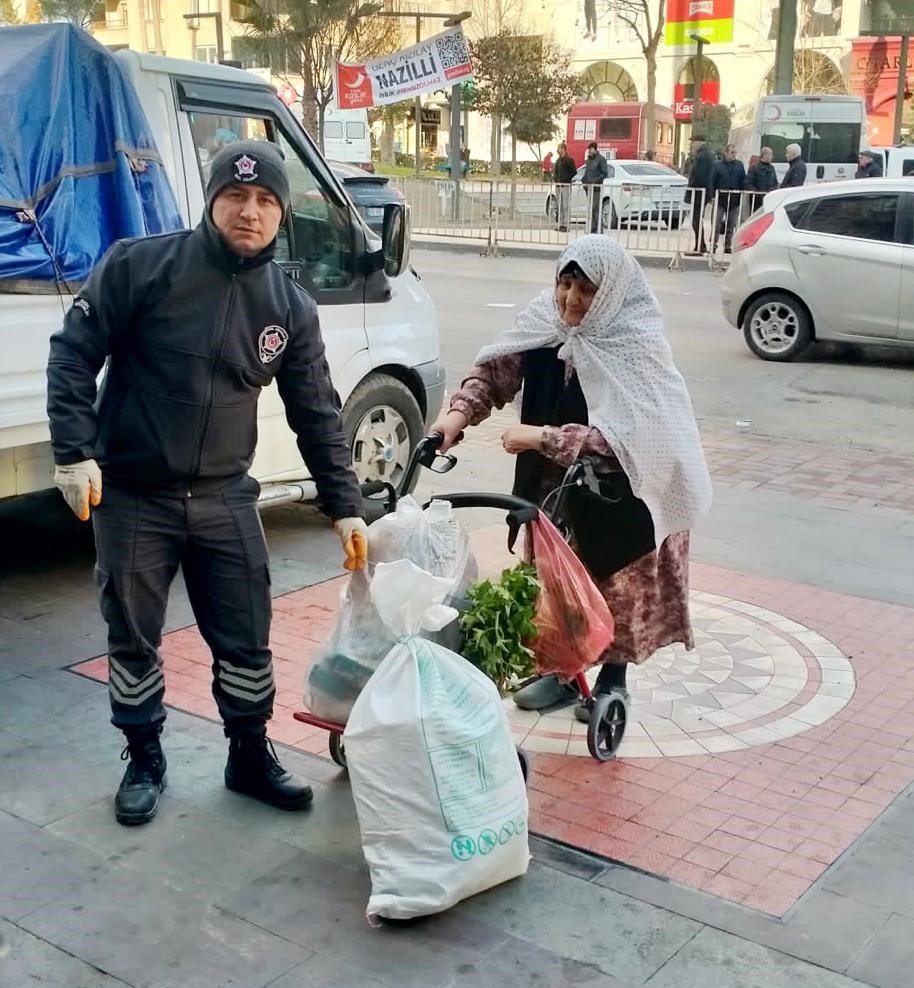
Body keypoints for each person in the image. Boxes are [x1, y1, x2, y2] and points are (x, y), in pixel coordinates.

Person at [46, 140, 369, 827]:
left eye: (266, 201)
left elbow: (317, 411)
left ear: (282, 214)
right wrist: (74, 451)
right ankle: (144, 757)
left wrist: (345, 506)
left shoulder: (288, 306)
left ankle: (248, 755)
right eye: (236, 196)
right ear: (213, 199)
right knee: (133, 635)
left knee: (247, 637)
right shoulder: (141, 266)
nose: (249, 211)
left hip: (225, 496)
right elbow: (72, 354)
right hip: (135, 494)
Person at [429, 236, 712, 715]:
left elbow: (635, 439)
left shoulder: (634, 340)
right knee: (557, 585)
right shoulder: (547, 323)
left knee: (616, 588)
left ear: (611, 293)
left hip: (626, 496)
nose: (571, 300)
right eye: (565, 284)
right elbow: (494, 373)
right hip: (555, 488)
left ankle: (614, 682)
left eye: (587, 290)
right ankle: (562, 674)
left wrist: (543, 438)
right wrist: (453, 419)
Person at [711, 143, 747, 254]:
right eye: (732, 152)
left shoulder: (739, 165)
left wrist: (742, 192)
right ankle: (713, 244)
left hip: (734, 199)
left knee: (731, 225)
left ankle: (727, 245)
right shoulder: (717, 165)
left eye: (735, 152)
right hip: (720, 199)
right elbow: (712, 181)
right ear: (726, 153)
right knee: (716, 224)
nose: (734, 155)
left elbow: (743, 180)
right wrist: (712, 196)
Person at [687, 133, 715, 254]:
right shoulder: (704, 154)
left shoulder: (703, 156)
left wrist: (694, 187)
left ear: (699, 142)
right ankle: (700, 245)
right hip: (701, 192)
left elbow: (701, 176)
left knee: (696, 220)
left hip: (699, 193)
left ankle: (700, 246)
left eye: (693, 142)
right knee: (696, 220)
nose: (692, 145)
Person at [581, 141, 609, 233]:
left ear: (595, 149)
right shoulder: (588, 160)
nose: (589, 151)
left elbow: (605, 173)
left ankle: (599, 229)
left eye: (591, 149)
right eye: (588, 149)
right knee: (591, 209)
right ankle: (592, 228)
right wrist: (584, 180)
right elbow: (587, 172)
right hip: (588, 188)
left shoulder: (601, 159)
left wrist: (596, 181)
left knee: (596, 208)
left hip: (596, 188)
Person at [745, 147, 779, 213]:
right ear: (764, 155)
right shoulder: (754, 168)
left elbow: (775, 183)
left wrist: (772, 192)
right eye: (771, 154)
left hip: (769, 200)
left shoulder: (772, 168)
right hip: (757, 202)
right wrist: (758, 194)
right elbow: (747, 184)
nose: (772, 156)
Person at [553, 142, 577, 233]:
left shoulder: (569, 160)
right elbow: (555, 172)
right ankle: (561, 224)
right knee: (560, 205)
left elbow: (574, 171)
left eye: (559, 148)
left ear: (563, 149)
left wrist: (567, 178)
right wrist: (555, 179)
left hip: (566, 185)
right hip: (558, 186)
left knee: (566, 205)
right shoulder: (558, 161)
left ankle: (566, 224)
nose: (558, 150)